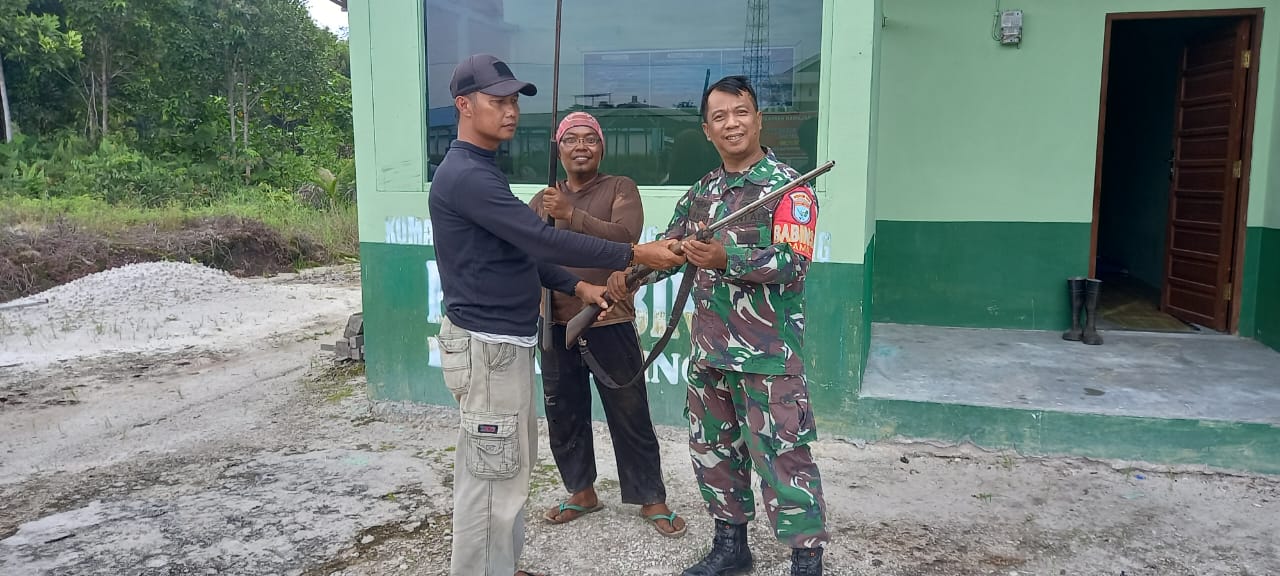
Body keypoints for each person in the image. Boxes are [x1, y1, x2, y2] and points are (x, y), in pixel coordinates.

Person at [429, 53, 685, 576]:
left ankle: (500, 563)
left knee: (508, 468)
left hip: (510, 344)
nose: (510, 111)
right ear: (463, 105)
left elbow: (525, 255)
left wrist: (579, 285)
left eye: (513, 101)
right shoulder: (469, 177)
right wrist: (638, 256)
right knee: (490, 475)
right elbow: (537, 239)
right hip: (489, 346)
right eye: (497, 101)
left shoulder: (486, 171)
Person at [609, 75, 829, 576]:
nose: (732, 123)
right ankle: (732, 546)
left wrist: (725, 256)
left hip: (768, 355)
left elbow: (794, 262)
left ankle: (806, 559)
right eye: (720, 117)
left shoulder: (788, 188)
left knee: (783, 456)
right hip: (710, 353)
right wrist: (631, 275)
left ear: (758, 118)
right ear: (707, 130)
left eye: (741, 112)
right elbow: (670, 246)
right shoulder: (702, 192)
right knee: (715, 451)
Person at [527, 111, 687, 538]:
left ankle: (651, 497)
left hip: (608, 318)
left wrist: (571, 215)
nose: (580, 147)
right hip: (554, 321)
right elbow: (528, 250)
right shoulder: (543, 200)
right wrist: (548, 215)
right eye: (570, 140)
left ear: (602, 147)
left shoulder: (620, 188)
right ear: (558, 149)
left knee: (629, 410)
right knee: (563, 411)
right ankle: (581, 491)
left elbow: (624, 241)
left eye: (590, 139)